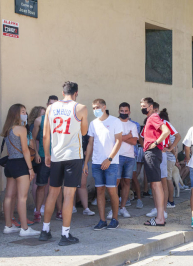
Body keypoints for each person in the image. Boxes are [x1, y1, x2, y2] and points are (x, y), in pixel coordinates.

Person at [39, 81, 88, 246]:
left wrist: (47, 154)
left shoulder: (51, 108)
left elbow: (45, 136)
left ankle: (45, 230)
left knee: (52, 193)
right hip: (73, 155)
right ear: (76, 92)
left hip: (56, 155)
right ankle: (65, 234)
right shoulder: (80, 107)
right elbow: (84, 132)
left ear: (62, 92)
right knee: (68, 195)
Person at [2, 104, 40, 236]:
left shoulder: (7, 129)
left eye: (25, 111)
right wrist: (30, 168)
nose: (25, 114)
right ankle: (25, 228)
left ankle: (8, 226)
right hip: (20, 164)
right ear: (16, 114)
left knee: (8, 196)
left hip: (10, 163)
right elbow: (25, 150)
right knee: (22, 198)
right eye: (22, 112)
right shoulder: (21, 129)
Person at [85, 99, 123, 230]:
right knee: (99, 190)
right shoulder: (93, 123)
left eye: (98, 107)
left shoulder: (115, 121)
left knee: (112, 191)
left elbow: (119, 141)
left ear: (104, 107)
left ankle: (115, 219)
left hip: (111, 163)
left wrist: (109, 159)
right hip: (96, 163)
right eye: (94, 107)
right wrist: (86, 162)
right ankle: (102, 220)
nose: (95, 110)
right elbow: (90, 143)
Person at [140, 97, 170, 226]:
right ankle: (160, 217)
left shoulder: (153, 117)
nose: (142, 108)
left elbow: (166, 131)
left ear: (151, 106)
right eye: (141, 105)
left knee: (156, 185)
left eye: (144, 105)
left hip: (153, 152)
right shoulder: (150, 119)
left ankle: (160, 218)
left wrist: (156, 143)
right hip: (152, 153)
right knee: (155, 185)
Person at [32, 96, 61, 223]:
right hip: (44, 157)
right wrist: (36, 153)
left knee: (58, 186)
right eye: (50, 104)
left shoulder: (62, 120)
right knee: (41, 186)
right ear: (47, 105)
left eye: (55, 104)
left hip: (58, 157)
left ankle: (59, 212)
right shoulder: (39, 120)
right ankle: (37, 212)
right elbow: (32, 139)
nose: (52, 106)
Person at [113, 102, 139, 218]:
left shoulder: (132, 125)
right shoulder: (114, 122)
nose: (124, 113)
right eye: (122, 111)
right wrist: (128, 136)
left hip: (129, 157)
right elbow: (114, 139)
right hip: (116, 156)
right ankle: (114, 208)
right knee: (115, 182)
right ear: (119, 111)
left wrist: (122, 137)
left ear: (129, 112)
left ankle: (122, 207)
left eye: (126, 111)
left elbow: (134, 142)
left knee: (127, 182)